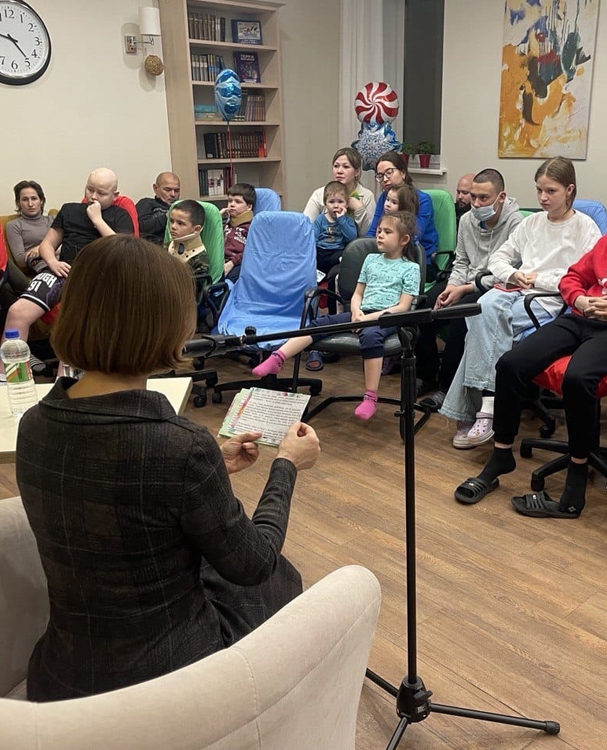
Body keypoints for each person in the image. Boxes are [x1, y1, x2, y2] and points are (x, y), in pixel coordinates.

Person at [16, 234, 319, 701]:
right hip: (169, 685)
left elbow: (115, 490)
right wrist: (286, 465)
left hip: (61, 676)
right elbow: (254, 564)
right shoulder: (180, 446)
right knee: (281, 577)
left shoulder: (34, 424)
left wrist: (211, 469)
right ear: (166, 326)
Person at [453, 164, 607, 515]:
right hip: (583, 317)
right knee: (510, 364)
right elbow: (573, 277)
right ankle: (501, 455)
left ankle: (575, 483)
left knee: (578, 377)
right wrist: (581, 300)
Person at [439, 158, 600, 447]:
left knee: (484, 328)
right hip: (516, 289)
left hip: (549, 299)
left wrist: (538, 279)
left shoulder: (585, 228)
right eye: (539, 190)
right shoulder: (531, 223)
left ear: (569, 190)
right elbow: (498, 259)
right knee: (481, 311)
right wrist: (513, 274)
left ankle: (481, 407)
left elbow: (583, 277)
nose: (542, 197)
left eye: (550, 191)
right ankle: (485, 407)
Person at [252, 211, 421, 421]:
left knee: (371, 336)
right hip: (361, 313)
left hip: (388, 318)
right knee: (320, 324)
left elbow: (403, 307)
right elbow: (357, 294)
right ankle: (278, 358)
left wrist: (368, 319)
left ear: (404, 240)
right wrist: (357, 312)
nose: (379, 235)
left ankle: (370, 397)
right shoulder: (371, 260)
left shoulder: (410, 268)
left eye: (387, 232)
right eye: (379, 231)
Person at [0, 168, 134, 378]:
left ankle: (65, 383)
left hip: (99, 277)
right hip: (61, 271)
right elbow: (47, 245)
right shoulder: (70, 210)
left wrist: (97, 220)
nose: (93, 196)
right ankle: (7, 379)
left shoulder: (120, 215)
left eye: (101, 193)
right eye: (90, 189)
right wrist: (52, 262)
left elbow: (123, 250)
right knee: (18, 312)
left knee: (76, 320)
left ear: (114, 196)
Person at [414, 168, 524, 408]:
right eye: (473, 197)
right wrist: (452, 286)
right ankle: (427, 374)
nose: (476, 203)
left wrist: (464, 289)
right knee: (422, 307)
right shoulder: (466, 220)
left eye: (483, 198)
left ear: (501, 197)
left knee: (459, 318)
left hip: (494, 287)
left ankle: (447, 389)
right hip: (464, 281)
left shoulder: (517, 224)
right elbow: (461, 261)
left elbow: (509, 273)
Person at [365, 152, 439, 265]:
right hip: (386, 254)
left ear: (403, 173)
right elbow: (372, 232)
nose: (385, 179)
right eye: (380, 176)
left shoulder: (422, 200)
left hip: (417, 258)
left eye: (389, 172)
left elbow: (414, 237)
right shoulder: (384, 197)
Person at [303, 147, 376, 236]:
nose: (339, 171)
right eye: (336, 166)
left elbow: (368, 236)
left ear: (357, 172)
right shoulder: (319, 194)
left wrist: (359, 209)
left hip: (355, 244)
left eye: (345, 167)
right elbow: (306, 228)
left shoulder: (367, 195)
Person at [5, 180, 53, 275]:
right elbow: (21, 260)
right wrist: (54, 248)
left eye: (34, 198)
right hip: (44, 269)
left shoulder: (53, 220)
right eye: (25, 199)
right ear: (19, 203)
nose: (30, 204)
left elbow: (68, 245)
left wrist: (39, 249)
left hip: (67, 262)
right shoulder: (14, 225)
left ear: (41, 201)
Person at [313, 180, 358, 275]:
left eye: (340, 202)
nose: (336, 206)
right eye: (331, 202)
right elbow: (313, 239)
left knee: (343, 259)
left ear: (347, 204)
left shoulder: (348, 221)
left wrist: (341, 220)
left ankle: (334, 279)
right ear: (325, 204)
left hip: (337, 252)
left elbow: (352, 238)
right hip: (321, 252)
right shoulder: (320, 220)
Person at [221, 182, 256, 282]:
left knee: (234, 277)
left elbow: (253, 252)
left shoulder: (252, 227)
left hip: (239, 263)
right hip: (222, 261)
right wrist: (217, 219)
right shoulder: (226, 225)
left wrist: (232, 262)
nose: (232, 204)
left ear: (249, 207)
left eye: (237, 201)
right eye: (230, 201)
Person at [167, 199, 210, 278]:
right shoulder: (167, 247)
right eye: (172, 221)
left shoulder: (200, 261)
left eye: (180, 223)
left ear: (196, 229)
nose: (173, 226)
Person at [136, 171, 181, 244]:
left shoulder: (183, 208)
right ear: (156, 188)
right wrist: (168, 216)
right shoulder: (147, 203)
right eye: (167, 190)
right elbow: (141, 229)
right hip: (152, 247)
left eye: (176, 191)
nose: (173, 194)